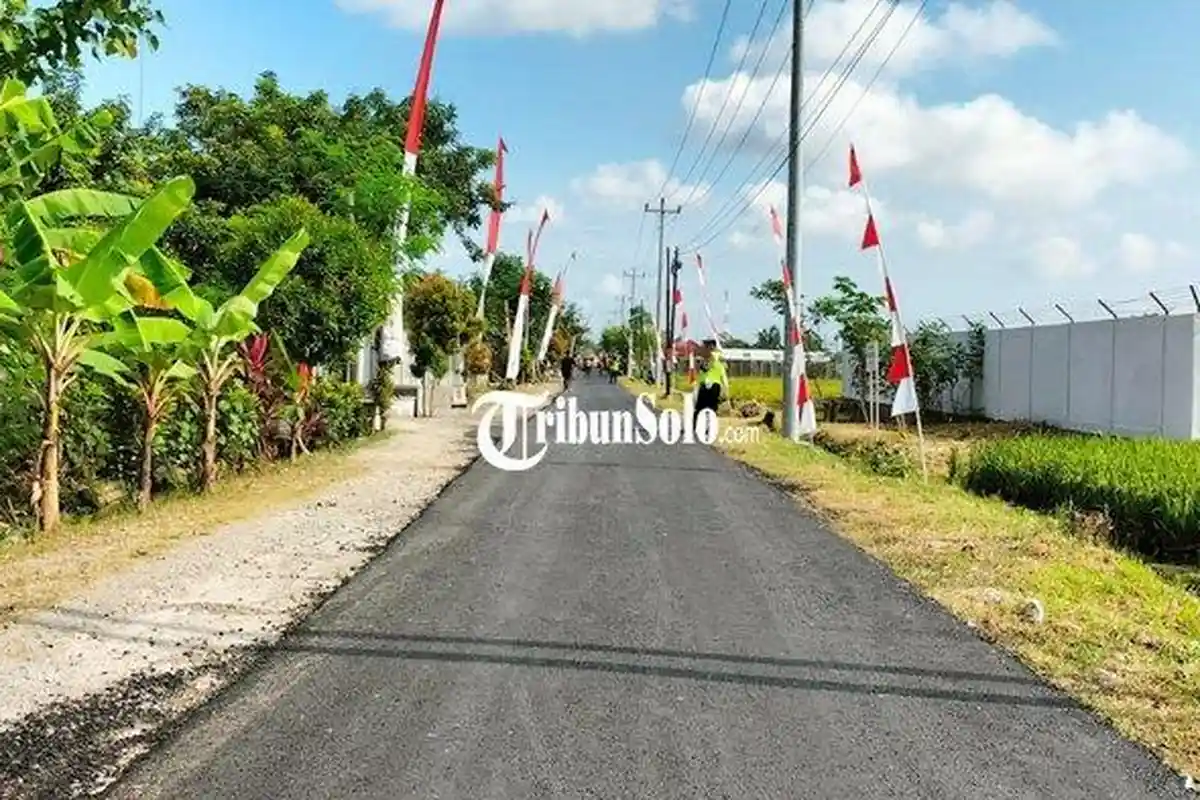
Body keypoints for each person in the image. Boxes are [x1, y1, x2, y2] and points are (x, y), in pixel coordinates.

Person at [694, 349, 728, 437]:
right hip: (715, 387)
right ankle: (708, 428)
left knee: (700, 408)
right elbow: (725, 381)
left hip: (705, 386)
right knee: (711, 409)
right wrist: (725, 392)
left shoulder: (705, 364)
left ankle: (695, 426)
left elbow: (698, 370)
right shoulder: (720, 366)